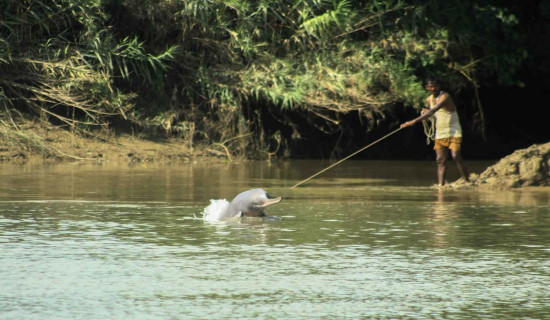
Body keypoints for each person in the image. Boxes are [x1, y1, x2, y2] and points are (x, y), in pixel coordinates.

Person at [401, 77, 470, 186]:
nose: (433, 88)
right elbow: (434, 113)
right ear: (426, 88)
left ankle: (467, 181)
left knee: (455, 155)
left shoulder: (445, 96)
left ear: (439, 86)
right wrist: (427, 112)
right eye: (430, 86)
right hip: (441, 132)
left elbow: (435, 110)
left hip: (454, 130)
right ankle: (440, 185)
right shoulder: (429, 100)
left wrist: (413, 121)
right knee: (440, 160)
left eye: (435, 86)